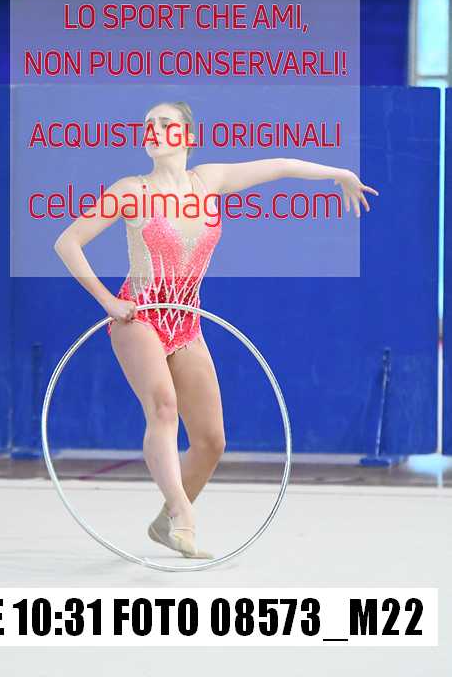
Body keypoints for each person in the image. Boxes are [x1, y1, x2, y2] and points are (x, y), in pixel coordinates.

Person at [53, 101, 378, 559]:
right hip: (139, 315)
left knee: (210, 441)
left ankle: (164, 522)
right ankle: (182, 513)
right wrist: (108, 301)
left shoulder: (210, 180)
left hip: (186, 321)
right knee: (163, 407)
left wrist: (339, 173)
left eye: (165, 123)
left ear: (187, 137)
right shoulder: (131, 190)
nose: (153, 129)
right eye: (148, 124)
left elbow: (279, 165)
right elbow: (67, 241)